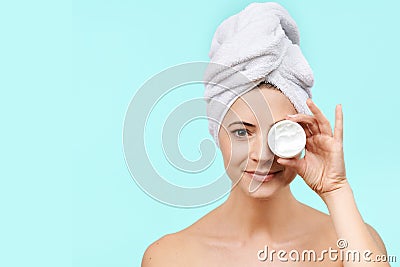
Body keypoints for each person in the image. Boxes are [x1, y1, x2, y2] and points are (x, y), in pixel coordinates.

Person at [142, 2, 389, 266]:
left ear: (304, 133)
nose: (262, 156)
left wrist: (336, 190)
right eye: (241, 132)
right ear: (216, 134)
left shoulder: (351, 243)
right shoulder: (169, 256)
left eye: (281, 132)